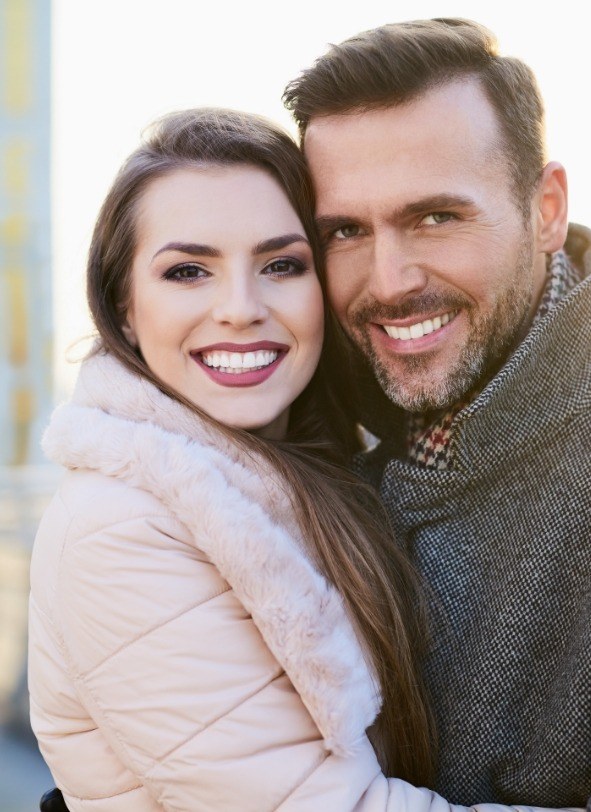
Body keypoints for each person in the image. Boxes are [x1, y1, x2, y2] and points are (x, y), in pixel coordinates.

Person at [29, 108, 532, 812]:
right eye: (188, 271)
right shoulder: (118, 529)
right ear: (125, 304)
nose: (240, 308)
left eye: (282, 265)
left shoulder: (312, 475)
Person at [282, 17, 591, 812]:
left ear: (546, 210)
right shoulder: (285, 449)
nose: (391, 279)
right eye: (345, 230)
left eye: (436, 217)